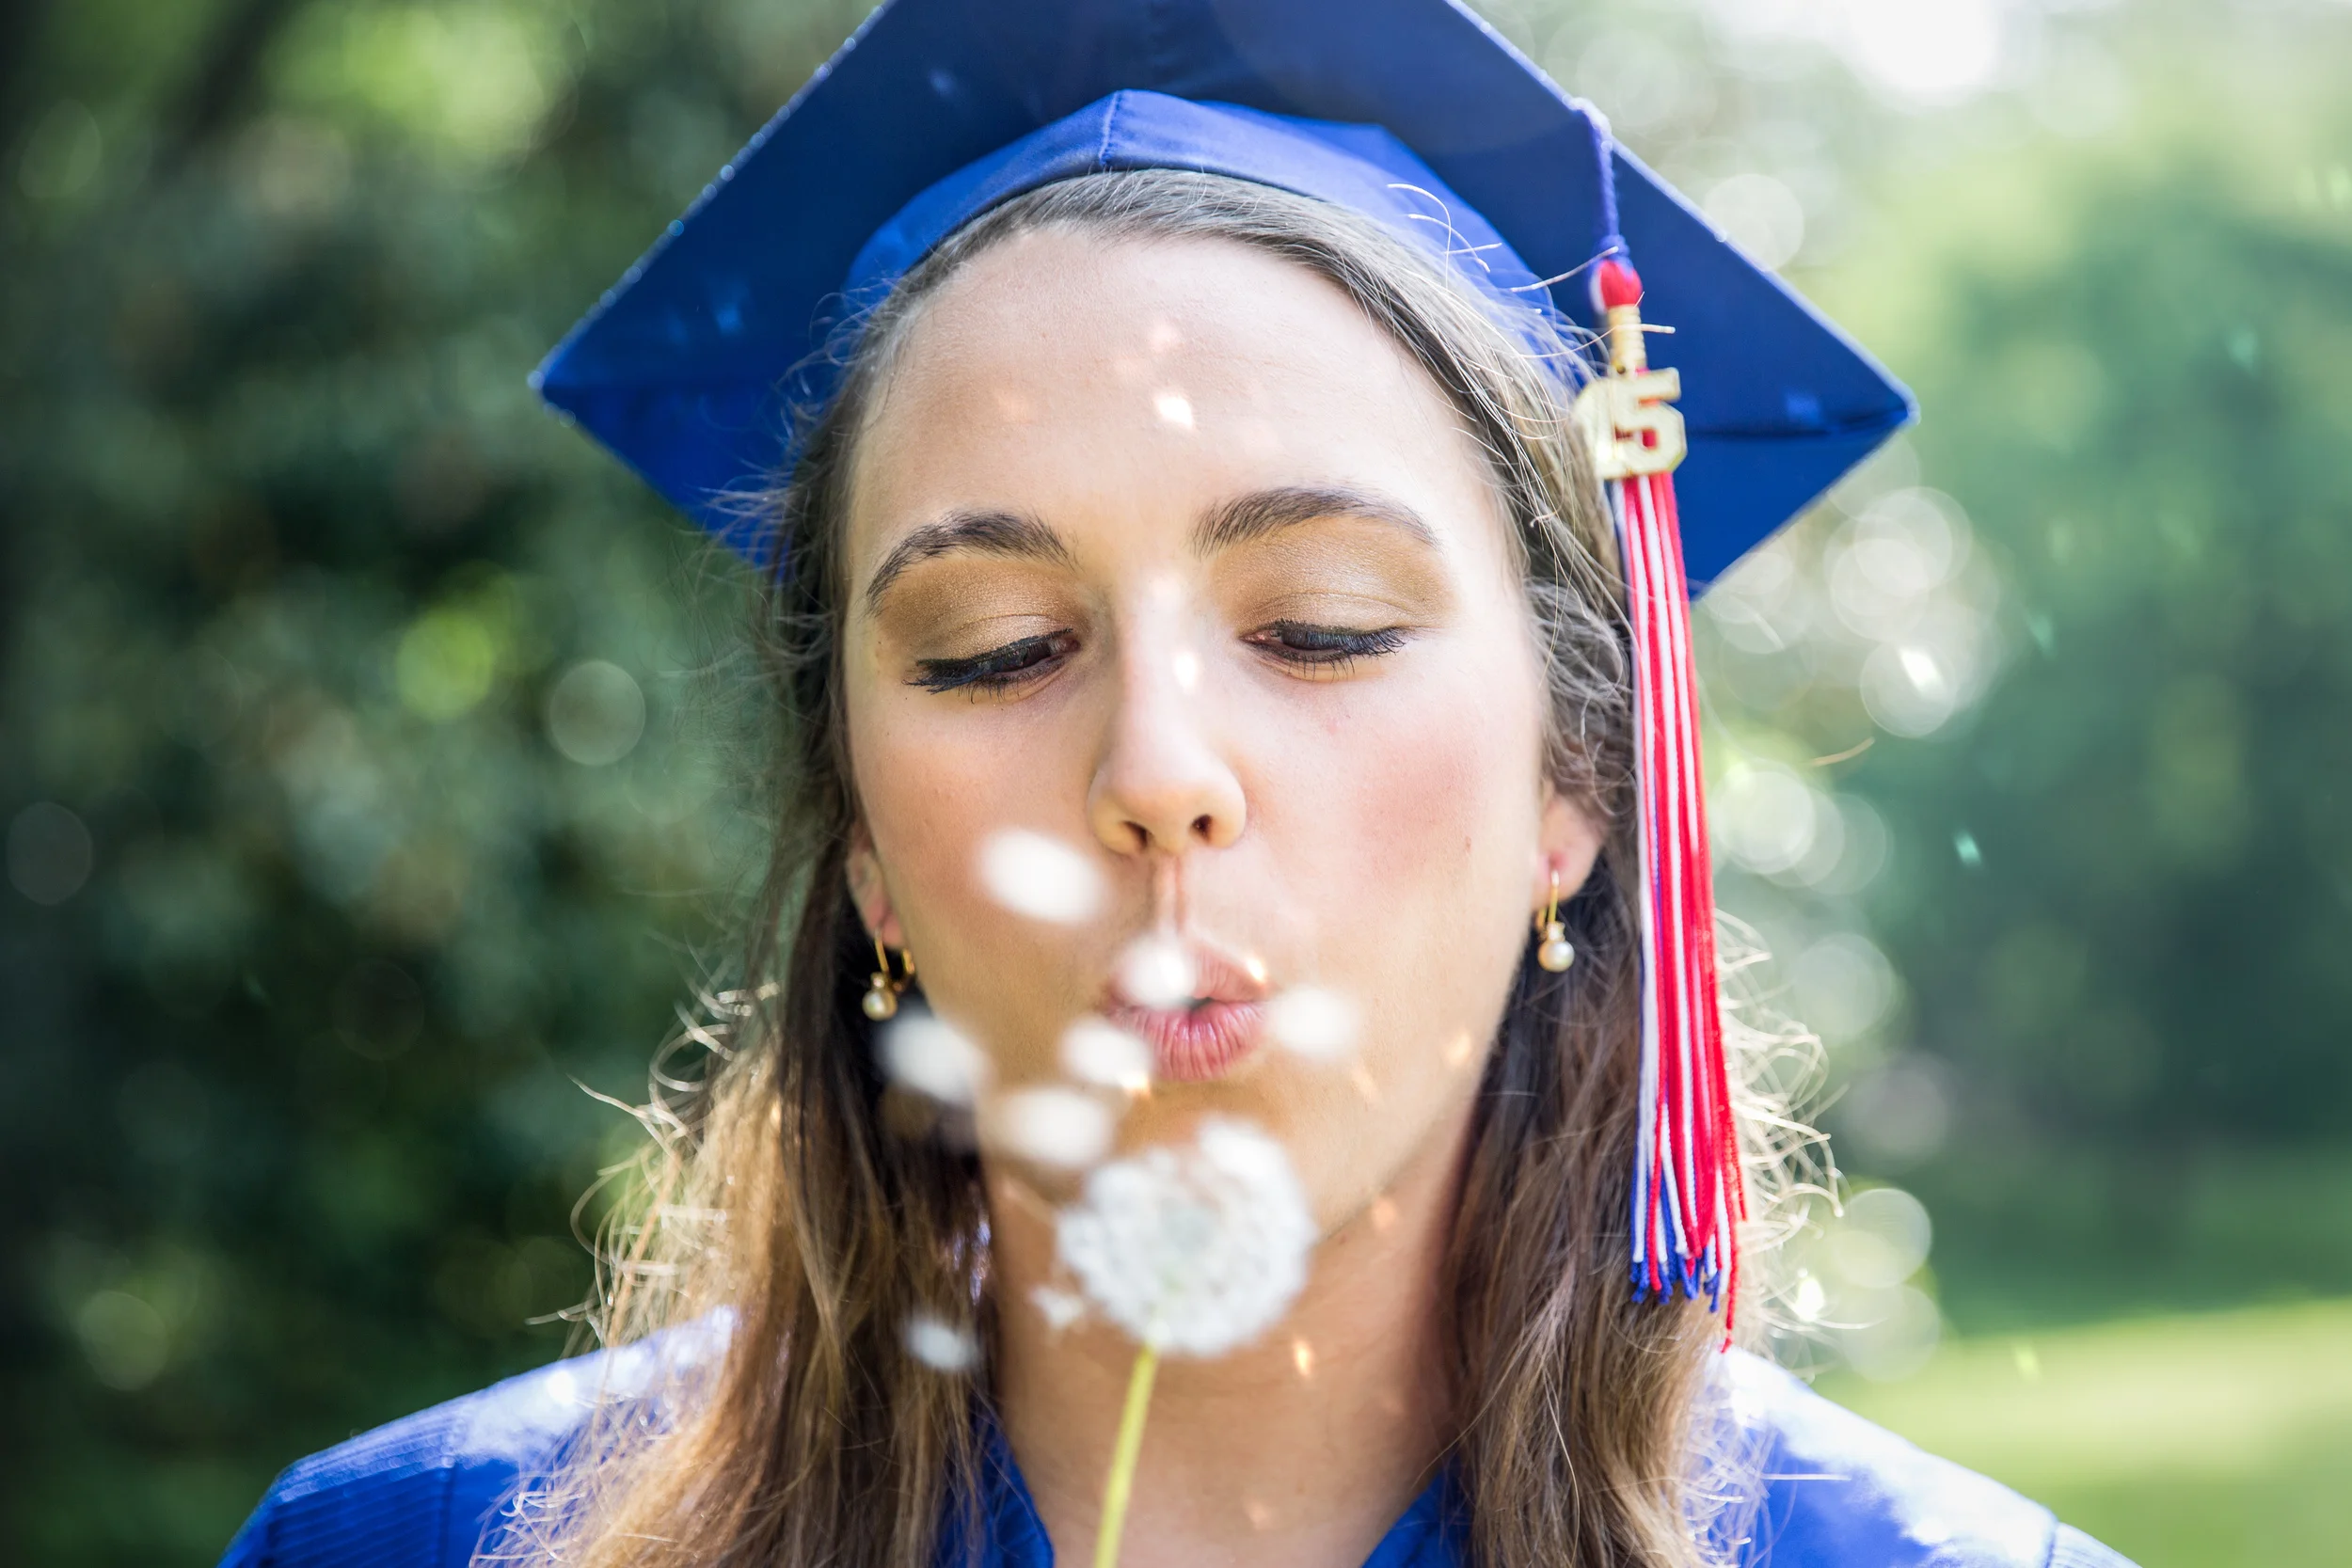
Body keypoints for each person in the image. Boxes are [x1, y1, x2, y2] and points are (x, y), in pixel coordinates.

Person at [221, 2, 2135, 1566]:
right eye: (986, 650)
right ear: (866, 847)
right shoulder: (414, 1546)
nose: (1154, 770)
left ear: (1577, 774)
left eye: (1313, 624)